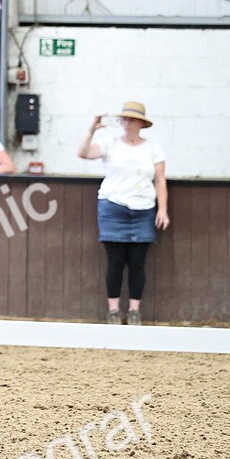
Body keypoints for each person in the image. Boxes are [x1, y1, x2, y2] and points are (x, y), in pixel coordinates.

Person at [77, 101, 169, 325]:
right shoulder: (110, 144)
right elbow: (83, 153)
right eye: (124, 118)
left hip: (143, 207)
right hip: (113, 206)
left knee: (137, 262)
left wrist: (163, 209)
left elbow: (160, 180)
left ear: (141, 123)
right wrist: (91, 129)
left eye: (131, 119)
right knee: (115, 261)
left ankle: (135, 311)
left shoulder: (153, 148)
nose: (126, 122)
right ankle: (113, 311)